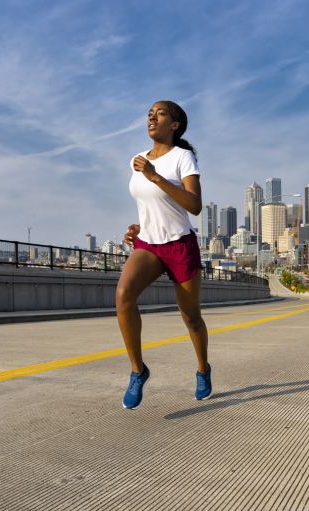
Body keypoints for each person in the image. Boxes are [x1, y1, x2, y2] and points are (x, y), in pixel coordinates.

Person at [118, 100, 211, 410]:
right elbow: (150, 206)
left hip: (179, 244)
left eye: (159, 114)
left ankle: (203, 370)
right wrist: (137, 227)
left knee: (190, 317)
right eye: (148, 114)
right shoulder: (138, 160)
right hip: (148, 243)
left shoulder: (183, 158)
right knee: (123, 295)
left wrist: (156, 176)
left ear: (174, 125)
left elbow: (194, 205)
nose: (151, 118)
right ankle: (137, 371)